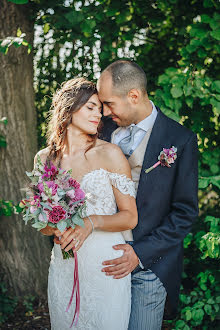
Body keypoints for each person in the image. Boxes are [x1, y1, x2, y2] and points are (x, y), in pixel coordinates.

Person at [97, 60, 199, 330]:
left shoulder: (180, 139)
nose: (104, 112)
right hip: (101, 258)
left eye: (109, 104)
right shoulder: (102, 131)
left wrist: (138, 254)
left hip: (150, 264)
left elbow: (185, 212)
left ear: (134, 96)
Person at [34, 77, 138, 330]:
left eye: (100, 109)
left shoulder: (110, 154)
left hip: (106, 266)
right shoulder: (44, 159)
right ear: (69, 108)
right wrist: (54, 227)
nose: (98, 115)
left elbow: (129, 217)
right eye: (91, 107)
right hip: (64, 265)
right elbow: (43, 227)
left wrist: (91, 223)